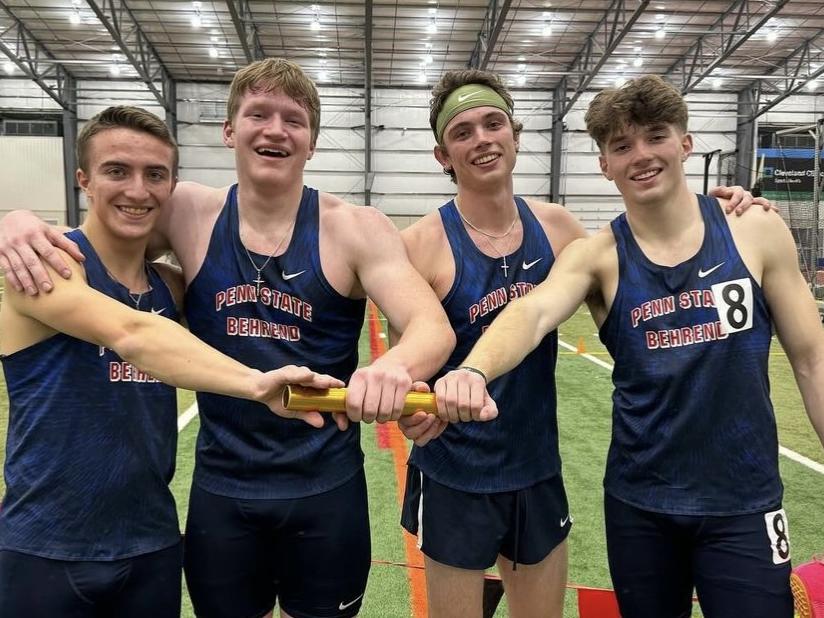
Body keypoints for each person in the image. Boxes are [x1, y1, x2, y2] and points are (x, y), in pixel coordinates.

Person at [0, 59, 455, 618]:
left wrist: (396, 367)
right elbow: (110, 232)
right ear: (228, 130)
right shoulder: (188, 210)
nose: (274, 129)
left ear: (311, 141)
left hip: (324, 486)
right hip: (224, 488)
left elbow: (431, 326)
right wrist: (14, 220)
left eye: (293, 119)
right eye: (257, 113)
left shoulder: (355, 227)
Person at [433, 74, 824, 618]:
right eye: (621, 146)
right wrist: (473, 371)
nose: (641, 155)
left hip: (743, 502)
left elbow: (811, 359)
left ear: (685, 143)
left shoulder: (753, 229)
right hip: (641, 505)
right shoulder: (597, 255)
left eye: (656, 136)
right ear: (605, 164)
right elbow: (533, 311)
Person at [0, 106, 343, 617]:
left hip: (151, 548)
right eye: (117, 171)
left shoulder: (170, 287)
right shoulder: (43, 269)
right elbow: (132, 333)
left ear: (171, 186)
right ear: (83, 180)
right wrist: (15, 218)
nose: (138, 191)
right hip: (46, 548)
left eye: (155, 175)